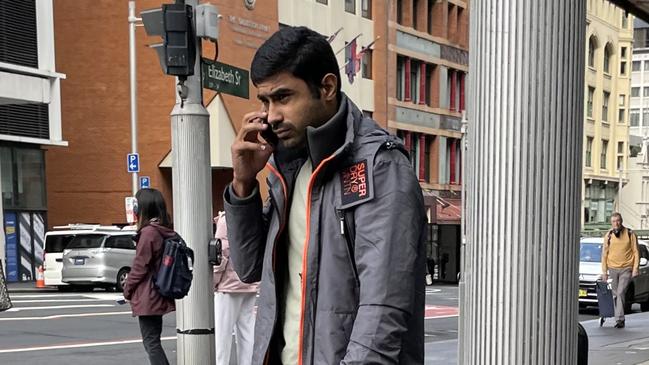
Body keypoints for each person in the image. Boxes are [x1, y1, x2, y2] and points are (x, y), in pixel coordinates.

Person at [224, 26, 426, 364]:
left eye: (284, 97)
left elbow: (383, 308)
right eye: (265, 101)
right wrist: (243, 184)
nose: (272, 116)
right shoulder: (286, 165)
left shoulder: (379, 165)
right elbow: (249, 269)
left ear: (327, 87)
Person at [123, 188, 176, 364]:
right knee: (153, 341)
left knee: (151, 343)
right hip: (158, 292)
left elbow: (140, 266)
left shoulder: (148, 233)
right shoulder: (162, 229)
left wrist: (127, 289)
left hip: (148, 295)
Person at [212, 211, 258, 365]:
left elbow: (221, 253)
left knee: (222, 335)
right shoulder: (255, 216)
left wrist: (213, 282)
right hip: (250, 282)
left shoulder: (227, 219)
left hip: (228, 286)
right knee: (247, 332)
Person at [601, 212, 640, 328]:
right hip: (612, 268)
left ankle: (619, 319)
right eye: (613, 221)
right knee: (615, 294)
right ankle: (618, 317)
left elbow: (636, 252)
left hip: (626, 268)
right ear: (611, 223)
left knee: (620, 292)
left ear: (621, 221)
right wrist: (604, 272)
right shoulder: (608, 235)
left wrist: (635, 268)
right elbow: (604, 254)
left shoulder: (630, 234)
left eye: (618, 221)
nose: (616, 223)